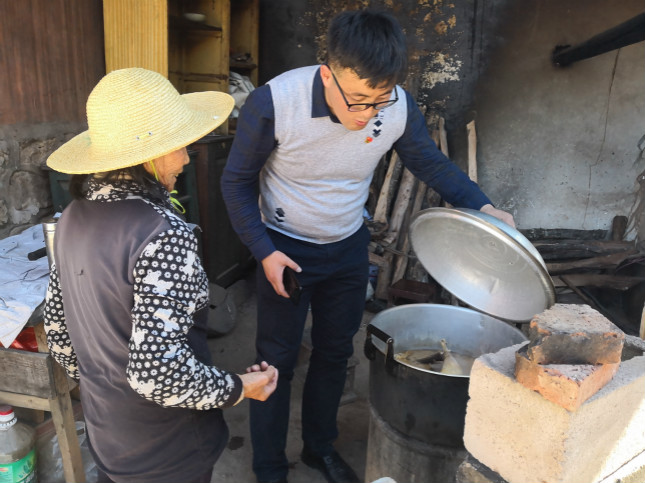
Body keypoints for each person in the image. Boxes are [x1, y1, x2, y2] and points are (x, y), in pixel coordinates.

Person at [220, 9, 514, 483]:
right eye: (357, 101)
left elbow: (429, 163)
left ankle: (319, 449)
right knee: (276, 360)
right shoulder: (274, 102)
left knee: (336, 352)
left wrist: (483, 207)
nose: (366, 115)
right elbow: (235, 182)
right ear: (327, 74)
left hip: (347, 246)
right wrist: (263, 250)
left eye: (378, 102)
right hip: (284, 249)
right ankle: (269, 466)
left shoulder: (396, 106)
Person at [43, 67, 278, 483]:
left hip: (108, 435)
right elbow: (157, 375)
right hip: (168, 450)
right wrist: (240, 387)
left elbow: (60, 335)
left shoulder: (71, 218)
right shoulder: (164, 234)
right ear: (147, 156)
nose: (185, 158)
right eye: (178, 146)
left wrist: (108, 391)